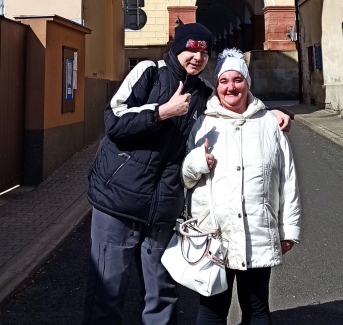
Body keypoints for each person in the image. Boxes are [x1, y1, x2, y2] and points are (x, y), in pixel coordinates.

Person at [83, 24, 293, 325]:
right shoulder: (149, 72)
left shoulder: (203, 94)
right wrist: (162, 112)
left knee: (161, 294)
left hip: (163, 208)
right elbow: (113, 121)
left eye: (204, 52)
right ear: (177, 48)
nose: (197, 57)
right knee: (107, 290)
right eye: (191, 49)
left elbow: (234, 104)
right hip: (118, 201)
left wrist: (270, 113)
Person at [181, 48, 300, 325]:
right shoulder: (203, 124)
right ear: (216, 86)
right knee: (211, 310)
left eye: (237, 80)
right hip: (214, 236)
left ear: (247, 83)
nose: (231, 87)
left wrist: (289, 229)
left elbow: (287, 180)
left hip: (257, 232)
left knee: (257, 308)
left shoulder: (269, 124)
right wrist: (198, 162)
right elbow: (185, 178)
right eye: (224, 81)